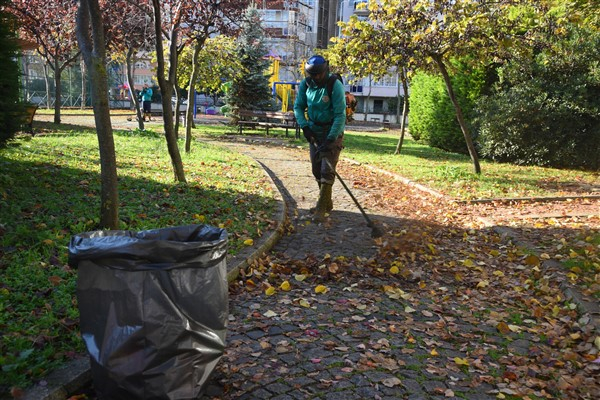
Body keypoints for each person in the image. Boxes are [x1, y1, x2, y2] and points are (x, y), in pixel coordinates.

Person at [293, 55, 346, 222]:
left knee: (327, 169)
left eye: (318, 74)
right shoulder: (306, 84)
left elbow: (340, 115)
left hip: (332, 131)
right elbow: (298, 107)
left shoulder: (334, 85)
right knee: (316, 169)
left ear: (325, 70)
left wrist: (331, 139)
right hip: (314, 131)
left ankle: (321, 208)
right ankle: (327, 202)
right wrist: (305, 127)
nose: (315, 78)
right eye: (312, 74)